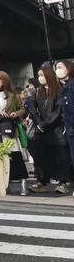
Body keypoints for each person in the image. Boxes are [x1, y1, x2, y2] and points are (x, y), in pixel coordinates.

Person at [27, 63, 71, 194]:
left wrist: (43, 124)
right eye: (38, 75)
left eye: (42, 75)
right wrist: (39, 123)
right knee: (41, 157)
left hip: (56, 130)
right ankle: (42, 181)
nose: (40, 78)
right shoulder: (36, 92)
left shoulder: (59, 90)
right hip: (41, 131)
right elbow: (32, 110)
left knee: (60, 157)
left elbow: (58, 111)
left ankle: (62, 182)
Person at [57, 59, 74, 188]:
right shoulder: (64, 87)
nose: (57, 70)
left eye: (60, 67)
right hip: (69, 128)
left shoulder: (71, 86)